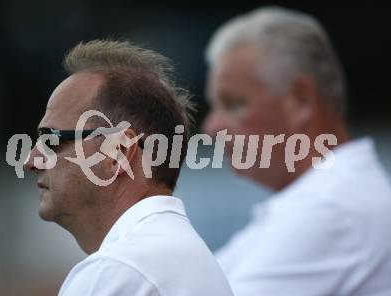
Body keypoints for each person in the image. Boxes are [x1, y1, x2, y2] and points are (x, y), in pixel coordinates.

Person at [203, 6, 391, 295]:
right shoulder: (330, 200)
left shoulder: (332, 208)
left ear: (301, 100)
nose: (212, 127)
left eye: (234, 104)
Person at [24, 40, 233, 296]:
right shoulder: (166, 256)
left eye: (51, 139)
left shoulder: (120, 270)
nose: (31, 160)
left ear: (118, 152)